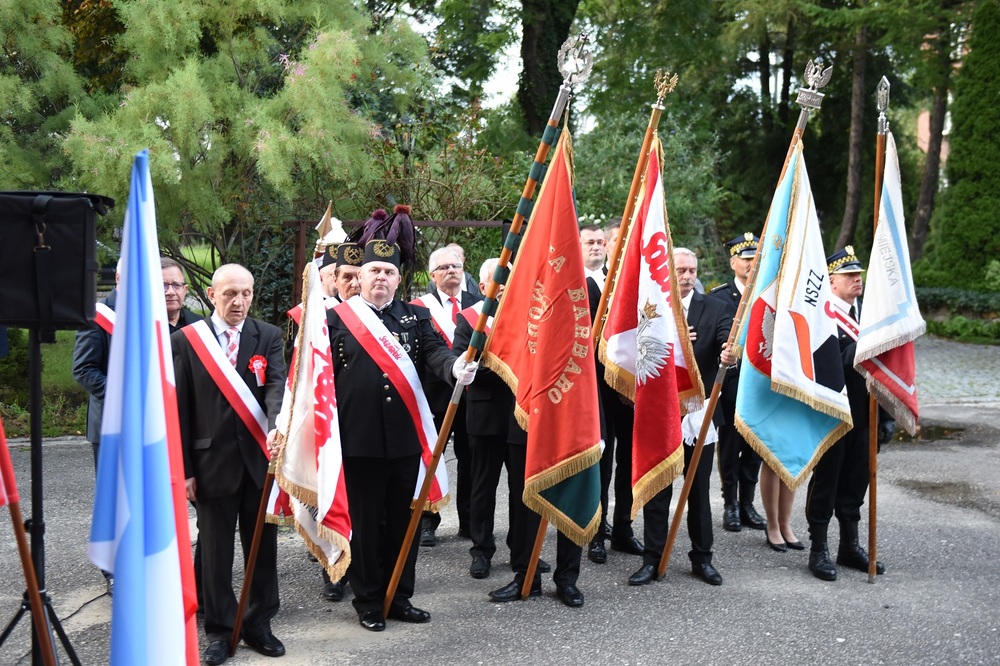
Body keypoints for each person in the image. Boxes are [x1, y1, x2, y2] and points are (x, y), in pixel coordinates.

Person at [328, 240, 476, 632]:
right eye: (374, 270)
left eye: (389, 272)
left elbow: (435, 353)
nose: (381, 277)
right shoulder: (337, 319)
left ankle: (399, 596)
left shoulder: (415, 317)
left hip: (405, 440)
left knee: (402, 522)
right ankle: (369, 600)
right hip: (358, 440)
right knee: (365, 522)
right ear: (359, 277)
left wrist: (455, 367)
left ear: (398, 279)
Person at [172, 264, 287, 665]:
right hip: (209, 464)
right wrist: (185, 469)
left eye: (247, 293)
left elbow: (276, 386)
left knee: (262, 548)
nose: (239, 302)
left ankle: (258, 623)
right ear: (210, 293)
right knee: (216, 552)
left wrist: (276, 426)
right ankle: (220, 631)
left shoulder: (267, 335)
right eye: (230, 294)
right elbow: (180, 408)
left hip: (259, 460)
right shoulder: (187, 341)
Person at [628, 248, 735, 587]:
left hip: (699, 414)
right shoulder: (651, 308)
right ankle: (652, 559)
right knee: (658, 486)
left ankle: (702, 558)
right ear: (668, 272)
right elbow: (632, 352)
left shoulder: (716, 307)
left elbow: (726, 345)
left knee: (698, 490)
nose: (687, 276)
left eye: (692, 269)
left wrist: (730, 356)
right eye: (681, 270)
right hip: (659, 411)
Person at [805, 247, 894, 581]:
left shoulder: (869, 315)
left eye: (859, 275)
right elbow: (821, 364)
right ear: (831, 281)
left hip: (866, 412)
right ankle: (818, 549)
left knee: (857, 482)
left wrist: (886, 416)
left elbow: (884, 369)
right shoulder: (820, 315)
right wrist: (861, 345)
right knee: (827, 482)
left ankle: (849, 545)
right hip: (833, 412)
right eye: (849, 276)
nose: (857, 280)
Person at [413, 246, 482, 546]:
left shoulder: (479, 303)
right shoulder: (419, 307)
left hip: (473, 394)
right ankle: (428, 521)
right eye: (443, 268)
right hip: (435, 395)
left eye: (455, 266)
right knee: (432, 457)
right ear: (432, 275)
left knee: (471, 459)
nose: (451, 271)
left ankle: (469, 521)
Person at [585, 227, 643, 565]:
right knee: (600, 464)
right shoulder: (578, 282)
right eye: (611, 241)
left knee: (628, 464)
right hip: (595, 390)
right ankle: (595, 533)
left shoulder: (631, 282)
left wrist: (631, 380)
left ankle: (623, 527)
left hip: (629, 389)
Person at [708, 233, 766, 533]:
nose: (751, 263)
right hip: (731, 383)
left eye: (755, 257)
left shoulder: (768, 293)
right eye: (745, 258)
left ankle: (747, 503)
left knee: (754, 445)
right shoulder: (718, 297)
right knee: (730, 444)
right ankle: (730, 503)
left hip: (759, 382)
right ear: (733, 263)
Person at [161, 257, 197, 331]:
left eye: (176, 285)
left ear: (185, 290)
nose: (170, 292)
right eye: (163, 285)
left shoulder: (200, 326)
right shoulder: (137, 330)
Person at [580, 224, 607, 290]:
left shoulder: (617, 277)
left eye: (600, 242)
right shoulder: (569, 280)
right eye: (590, 243)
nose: (596, 248)